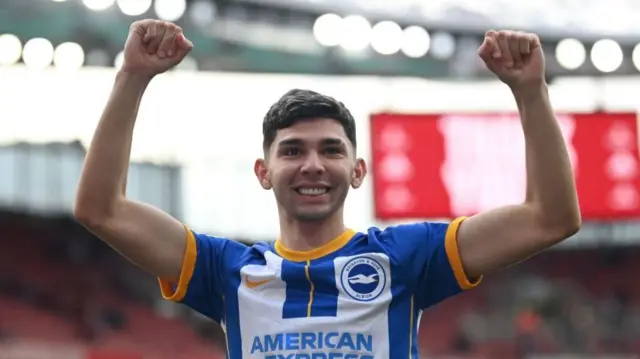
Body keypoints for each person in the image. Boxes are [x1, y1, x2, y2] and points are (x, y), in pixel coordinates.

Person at [74, 19, 581, 358]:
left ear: (358, 171)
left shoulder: (405, 258)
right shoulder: (225, 271)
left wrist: (530, 91)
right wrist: (132, 77)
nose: (313, 165)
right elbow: (102, 209)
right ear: (263, 171)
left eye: (331, 150)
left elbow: (550, 218)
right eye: (292, 150)